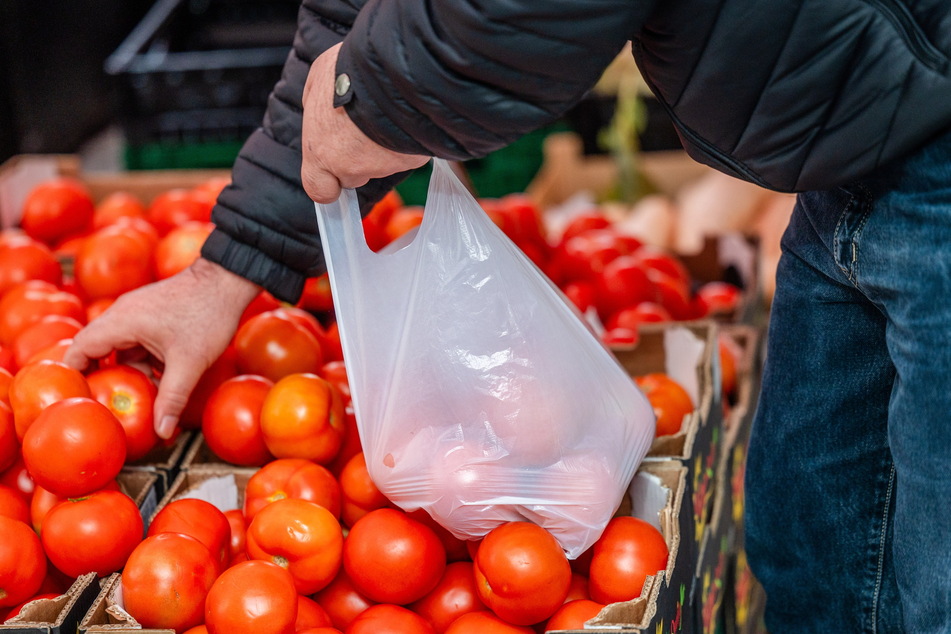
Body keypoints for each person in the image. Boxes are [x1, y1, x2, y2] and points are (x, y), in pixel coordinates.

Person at [63, 1, 951, 632]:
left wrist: (370, 100)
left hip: (919, 128)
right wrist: (227, 270)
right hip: (858, 146)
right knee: (815, 554)